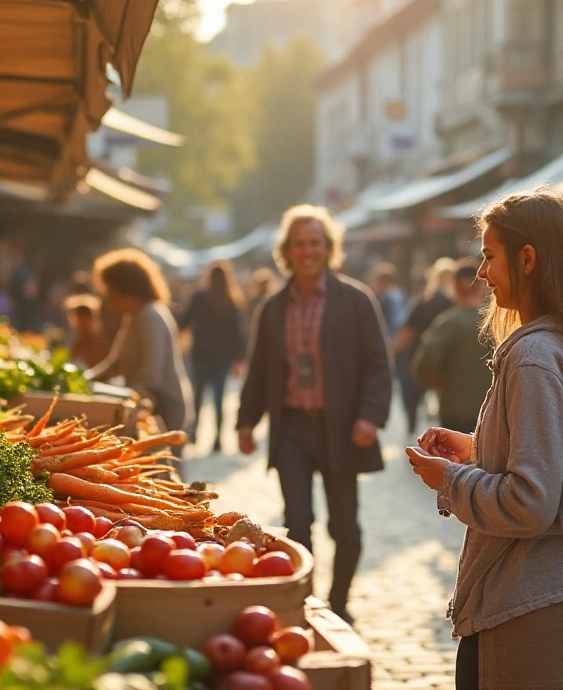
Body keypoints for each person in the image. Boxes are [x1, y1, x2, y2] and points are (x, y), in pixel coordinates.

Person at [407, 190, 563, 688]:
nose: (480, 273)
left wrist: (450, 479)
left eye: (488, 256)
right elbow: (559, 462)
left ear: (527, 259)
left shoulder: (534, 357)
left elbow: (531, 502)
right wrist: (478, 450)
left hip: (527, 606)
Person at [237, 205, 393, 625]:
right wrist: (245, 421)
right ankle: (301, 601)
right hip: (291, 429)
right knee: (297, 522)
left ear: (328, 249)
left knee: (344, 525)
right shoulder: (273, 307)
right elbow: (259, 370)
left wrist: (369, 417)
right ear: (287, 251)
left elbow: (378, 363)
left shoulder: (356, 301)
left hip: (341, 428)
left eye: (316, 244)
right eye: (300, 244)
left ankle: (339, 602)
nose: (308, 251)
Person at [84, 249, 192, 447]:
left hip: (162, 407)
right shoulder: (134, 315)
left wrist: (120, 396)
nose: (108, 298)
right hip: (146, 403)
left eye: (111, 291)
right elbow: (115, 363)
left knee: (164, 468)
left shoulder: (149, 316)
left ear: (126, 289)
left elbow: (151, 376)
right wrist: (84, 379)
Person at [410, 259, 488, 434]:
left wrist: (432, 380)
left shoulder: (448, 322)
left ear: (454, 287)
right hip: (493, 410)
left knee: (456, 460)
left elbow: (425, 362)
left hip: (455, 410)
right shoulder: (495, 323)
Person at [179, 261, 247, 453]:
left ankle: (194, 433)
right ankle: (217, 439)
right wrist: (238, 360)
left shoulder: (199, 297)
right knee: (219, 398)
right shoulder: (231, 300)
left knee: (198, 396)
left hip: (200, 354)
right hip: (222, 357)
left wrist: (180, 340)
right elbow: (237, 334)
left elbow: (185, 322)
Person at [394, 258, 456, 433]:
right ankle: (444, 433)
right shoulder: (453, 304)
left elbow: (406, 332)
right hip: (448, 361)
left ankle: (412, 429)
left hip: (421, 356)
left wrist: (393, 353)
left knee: (414, 397)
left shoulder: (423, 302)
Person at [64, 294, 109, 370]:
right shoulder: (76, 342)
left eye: (84, 321)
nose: (82, 326)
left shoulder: (99, 342)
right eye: (79, 321)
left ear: (91, 320)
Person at [370, 263, 408, 338]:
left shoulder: (387, 298)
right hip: (398, 334)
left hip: (390, 337)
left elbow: (386, 323)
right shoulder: (400, 294)